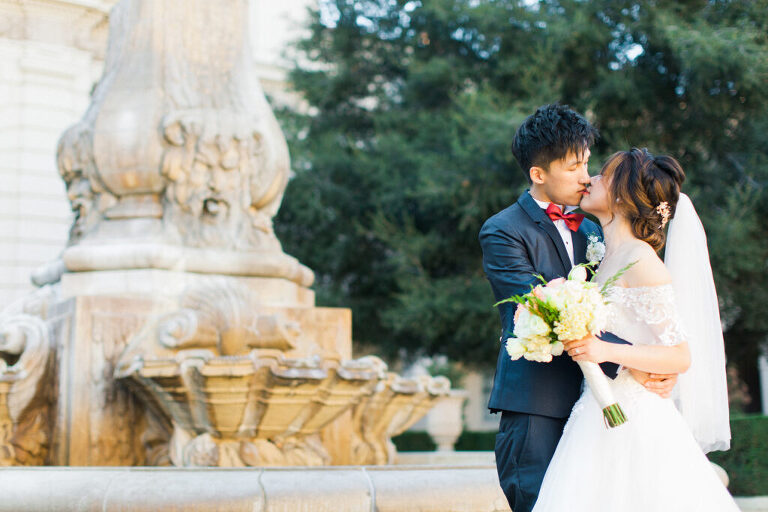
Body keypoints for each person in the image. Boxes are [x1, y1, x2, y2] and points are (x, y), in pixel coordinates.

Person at [479, 104, 677, 512]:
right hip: (538, 405)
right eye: (573, 167)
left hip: (599, 406)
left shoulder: (595, 229)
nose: (586, 177)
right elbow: (542, 311)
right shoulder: (503, 230)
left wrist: (651, 363)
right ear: (539, 174)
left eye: (587, 163)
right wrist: (635, 363)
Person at [532, 148, 738, 511]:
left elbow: (679, 355)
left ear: (621, 195)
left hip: (635, 417)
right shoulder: (606, 258)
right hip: (596, 413)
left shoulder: (641, 259)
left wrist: (605, 351)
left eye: (603, 175)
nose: (590, 179)